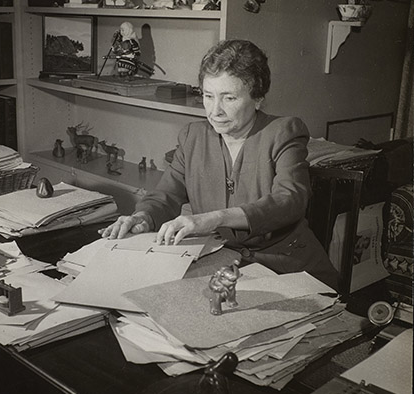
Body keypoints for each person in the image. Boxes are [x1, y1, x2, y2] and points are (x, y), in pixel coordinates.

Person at [100, 39, 338, 289]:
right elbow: (166, 196)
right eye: (208, 96)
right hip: (224, 264)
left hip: (287, 269)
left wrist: (213, 219)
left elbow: (289, 200)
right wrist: (143, 217)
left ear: (258, 99)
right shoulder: (193, 137)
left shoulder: (283, 132)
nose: (215, 111)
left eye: (229, 98)